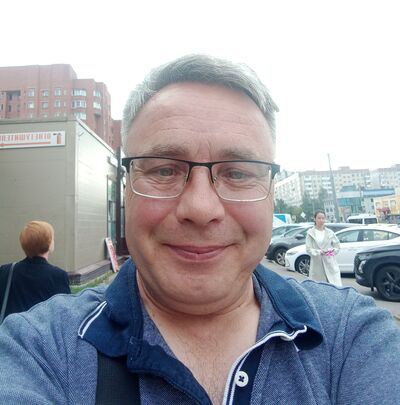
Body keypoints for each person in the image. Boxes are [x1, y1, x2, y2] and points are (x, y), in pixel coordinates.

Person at [0, 54, 399, 405]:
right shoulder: (39, 350)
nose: (201, 208)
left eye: (238, 173)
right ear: (126, 190)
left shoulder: (354, 339)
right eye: (164, 170)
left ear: (271, 194)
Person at [0, 220, 70, 321]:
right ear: (49, 243)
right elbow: (64, 314)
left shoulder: (5, 271)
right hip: (41, 331)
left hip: (10, 329)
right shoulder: (58, 276)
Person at [305, 210, 342, 286]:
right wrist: (318, 252)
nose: (321, 220)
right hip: (317, 265)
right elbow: (308, 249)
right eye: (319, 218)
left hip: (330, 264)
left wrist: (329, 252)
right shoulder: (310, 233)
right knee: (318, 287)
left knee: (333, 286)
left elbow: (337, 247)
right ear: (315, 219)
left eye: (323, 218)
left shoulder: (330, 232)